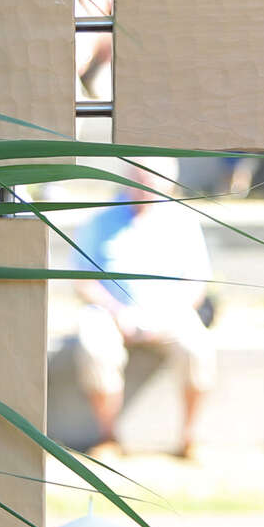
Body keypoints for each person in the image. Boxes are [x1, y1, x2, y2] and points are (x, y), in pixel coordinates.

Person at [70, 161, 216, 457]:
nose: (144, 189)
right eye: (138, 180)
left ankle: (189, 438)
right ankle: (108, 436)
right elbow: (82, 280)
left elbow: (196, 284)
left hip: (169, 311)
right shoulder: (101, 221)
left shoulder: (183, 223)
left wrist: (168, 315)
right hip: (111, 311)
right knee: (95, 346)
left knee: (198, 348)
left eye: (151, 183)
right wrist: (115, 310)